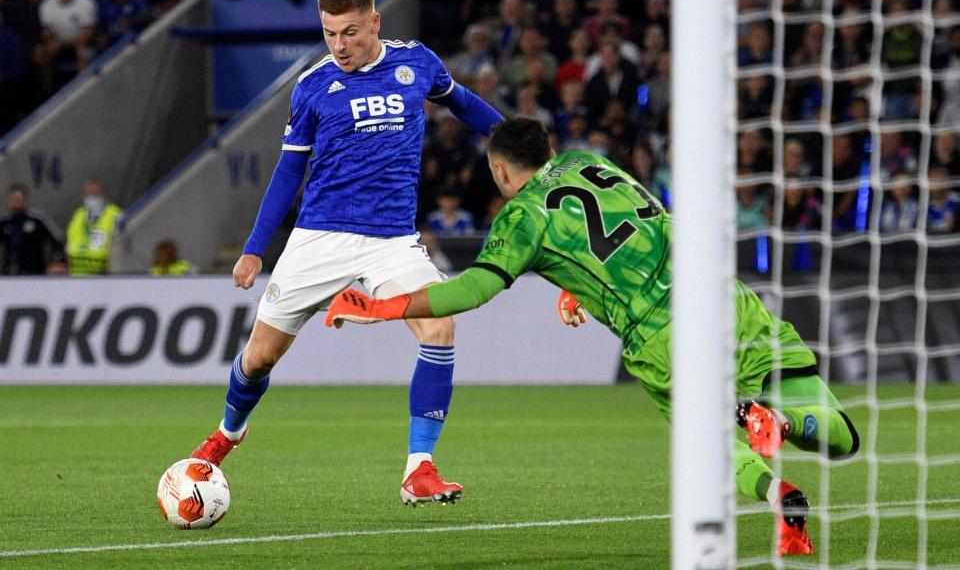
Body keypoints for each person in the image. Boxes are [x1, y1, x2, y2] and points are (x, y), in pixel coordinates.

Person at [324, 118, 861, 556]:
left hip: (662, 334)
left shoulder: (521, 218)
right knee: (842, 439)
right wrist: (579, 284)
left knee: (710, 445)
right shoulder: (589, 163)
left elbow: (471, 291)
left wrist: (385, 305)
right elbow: (656, 224)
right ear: (550, 149)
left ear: (499, 170)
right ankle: (782, 447)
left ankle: (769, 473)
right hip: (723, 298)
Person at [188, 0, 503, 507]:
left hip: (392, 241)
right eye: (330, 33)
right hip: (318, 240)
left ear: (374, 22)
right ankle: (227, 434)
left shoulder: (416, 63)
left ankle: (419, 468)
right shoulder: (312, 86)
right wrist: (255, 247)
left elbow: (465, 104)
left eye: (350, 32)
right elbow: (289, 172)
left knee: (440, 327)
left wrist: (518, 145)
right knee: (260, 358)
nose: (340, 45)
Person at [0, 184, 62, 275]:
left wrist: (55, 261)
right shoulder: (5, 223)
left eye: (18, 199)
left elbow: (57, 241)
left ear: (25, 200)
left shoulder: (37, 221)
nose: (15, 202)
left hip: (34, 272)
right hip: (10, 271)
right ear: (8, 202)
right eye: (12, 199)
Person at [65, 179, 122, 275]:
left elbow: (120, 247)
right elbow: (70, 241)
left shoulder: (115, 215)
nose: (91, 196)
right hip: (77, 274)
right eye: (88, 193)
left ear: (104, 195)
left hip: (101, 274)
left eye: (95, 193)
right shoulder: (79, 214)